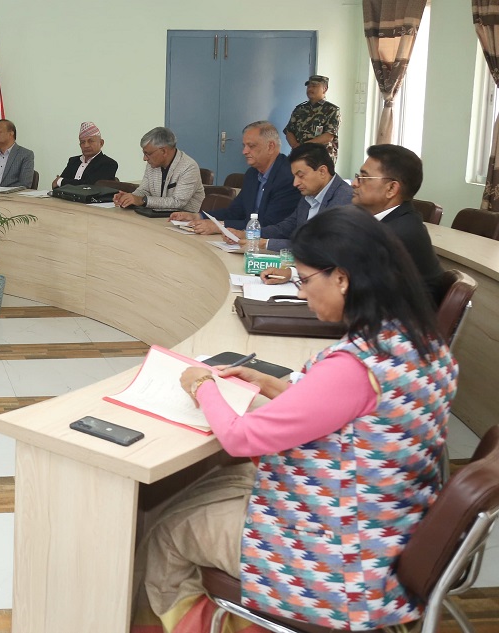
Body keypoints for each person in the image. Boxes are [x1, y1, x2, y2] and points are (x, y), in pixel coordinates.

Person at [138, 207, 458, 632]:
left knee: (169, 529)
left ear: (341, 278)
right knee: (219, 485)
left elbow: (239, 438)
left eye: (304, 279)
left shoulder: (354, 367)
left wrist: (201, 385)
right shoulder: (423, 343)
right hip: (387, 528)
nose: (302, 292)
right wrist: (268, 384)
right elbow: (353, 417)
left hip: (335, 563)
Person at [261, 144, 445, 303]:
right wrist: (292, 274)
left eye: (364, 177)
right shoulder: (382, 221)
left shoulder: (399, 232)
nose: (355, 183)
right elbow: (342, 265)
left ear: (391, 188)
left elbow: (350, 282)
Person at [172, 121, 300, 232]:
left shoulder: (288, 176)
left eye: (251, 146)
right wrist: (197, 216)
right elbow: (235, 212)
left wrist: (220, 226)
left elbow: (270, 224)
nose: (244, 151)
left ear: (270, 147)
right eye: (244, 146)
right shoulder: (252, 174)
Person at [241, 143, 353, 251]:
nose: (295, 183)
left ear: (322, 172)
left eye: (300, 176)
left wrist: (266, 244)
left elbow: (320, 246)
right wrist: (247, 234)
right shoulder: (309, 194)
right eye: (294, 176)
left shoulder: (345, 198)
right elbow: (286, 228)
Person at [113, 127, 204, 213]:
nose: (145, 158)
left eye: (148, 154)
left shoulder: (189, 167)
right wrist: (129, 198)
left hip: (184, 220)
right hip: (156, 216)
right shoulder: (152, 164)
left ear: (163, 151)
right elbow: (144, 190)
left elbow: (178, 202)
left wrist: (142, 200)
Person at [284, 74, 341, 164]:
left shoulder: (332, 110)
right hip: (299, 156)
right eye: (309, 86)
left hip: (321, 158)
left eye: (314, 86)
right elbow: (289, 131)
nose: (310, 89)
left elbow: (328, 136)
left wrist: (305, 146)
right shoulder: (300, 109)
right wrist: (295, 146)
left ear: (325, 89)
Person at [51, 122, 118, 188]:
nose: (86, 145)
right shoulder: (73, 161)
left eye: (90, 141)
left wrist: (61, 181)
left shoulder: (108, 163)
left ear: (101, 143)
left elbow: (90, 186)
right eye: (82, 142)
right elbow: (56, 186)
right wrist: (60, 182)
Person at [0, 119, 34, 188]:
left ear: (11, 133)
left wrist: (1, 190)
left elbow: (25, 184)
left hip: (10, 194)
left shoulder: (25, 155)